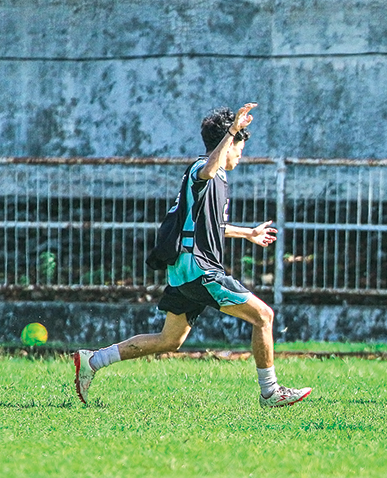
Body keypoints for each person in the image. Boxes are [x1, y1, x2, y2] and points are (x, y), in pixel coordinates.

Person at [72, 103, 312, 408]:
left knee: (169, 340)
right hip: (199, 268)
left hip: (184, 270)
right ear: (229, 142)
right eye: (239, 147)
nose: (241, 155)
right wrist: (232, 130)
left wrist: (248, 233)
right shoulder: (204, 169)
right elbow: (208, 169)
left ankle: (93, 361)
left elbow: (210, 227)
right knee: (264, 316)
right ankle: (270, 392)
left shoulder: (216, 179)